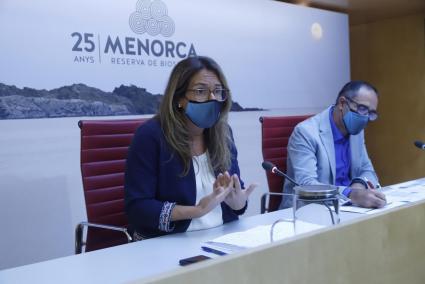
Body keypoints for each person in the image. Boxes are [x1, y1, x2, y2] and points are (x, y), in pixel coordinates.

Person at [125, 56, 257, 240]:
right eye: (201, 91)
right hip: (167, 243)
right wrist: (197, 211)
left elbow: (235, 198)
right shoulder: (150, 136)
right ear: (179, 98)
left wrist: (238, 202)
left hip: (222, 239)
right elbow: (138, 208)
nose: (212, 98)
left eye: (217, 91)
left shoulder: (223, 134)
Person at [280, 80, 386, 209]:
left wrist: (358, 185)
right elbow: (307, 185)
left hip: (348, 207)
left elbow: (367, 171)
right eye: (362, 108)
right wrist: (351, 194)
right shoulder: (306, 132)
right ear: (342, 103)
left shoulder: (357, 131)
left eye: (371, 113)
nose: (366, 118)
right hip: (308, 210)